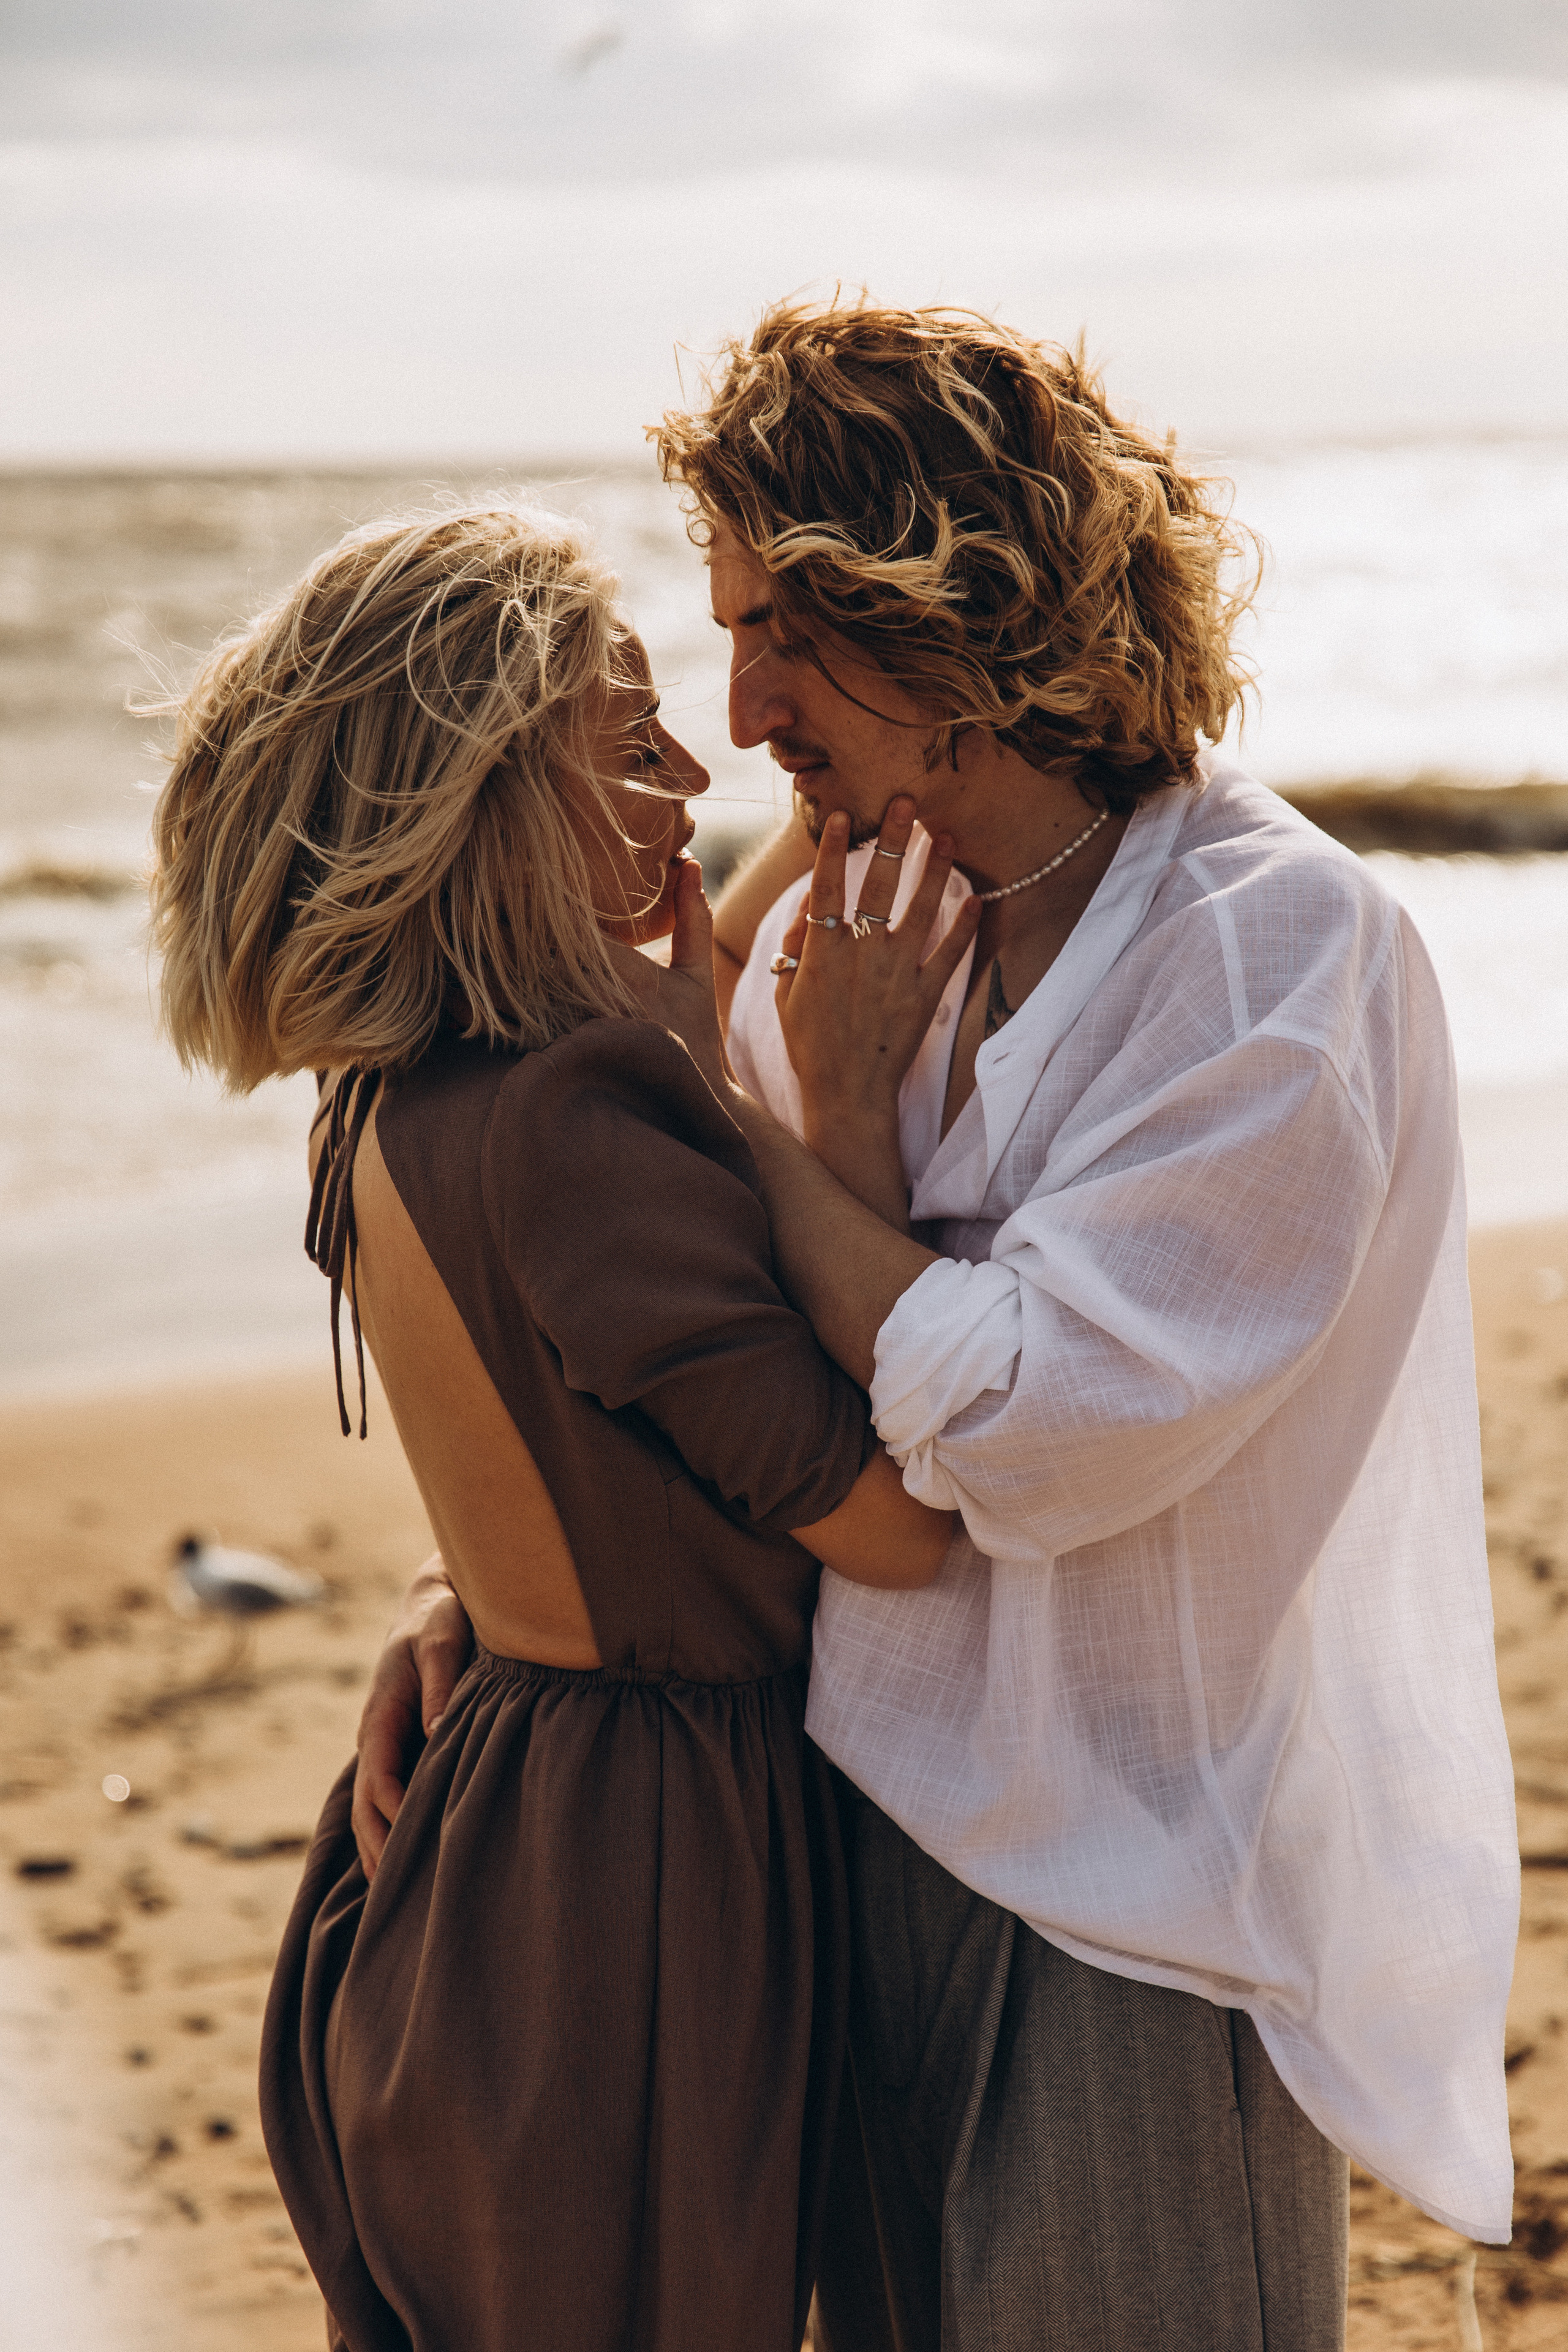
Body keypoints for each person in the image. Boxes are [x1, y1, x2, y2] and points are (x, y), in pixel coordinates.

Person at [360, 306, 1520, 2351]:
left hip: (1135, 1904)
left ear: (945, 597)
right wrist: (486, 1587)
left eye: (783, 634)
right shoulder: (830, 916)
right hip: (830, 1844)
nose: (742, 708)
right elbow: (708, 1367)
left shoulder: (1268, 949)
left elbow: (1034, 1429)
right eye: (720, 636)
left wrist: (757, 1119)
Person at [148, 500, 960, 2352]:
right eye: (631, 743)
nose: (695, 771)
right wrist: (835, 1121)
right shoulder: (583, 1120)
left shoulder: (391, 1100)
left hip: (492, 1826)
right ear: (494, 796)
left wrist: (847, 801)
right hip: (639, 1888)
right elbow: (905, 1526)